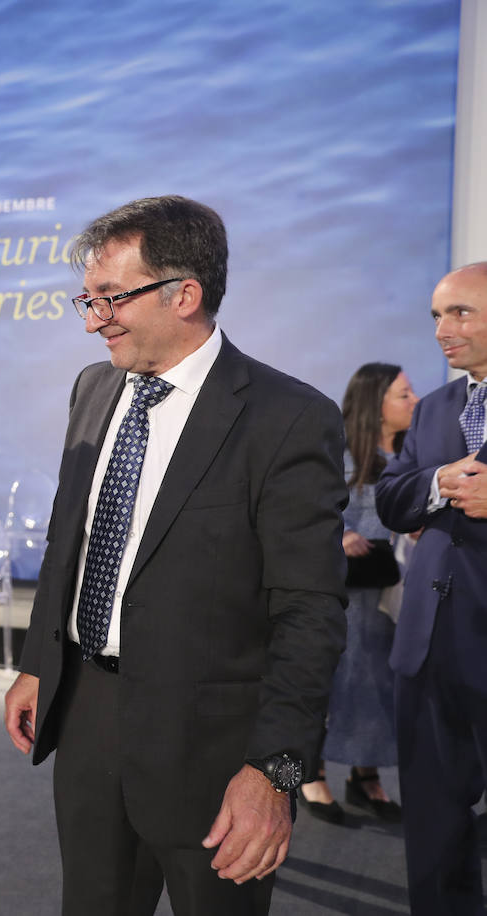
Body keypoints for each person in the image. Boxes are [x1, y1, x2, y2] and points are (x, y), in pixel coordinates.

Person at [2, 195, 347, 915]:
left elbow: (309, 613)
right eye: (88, 299)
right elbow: (71, 539)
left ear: (184, 294)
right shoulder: (93, 389)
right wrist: (40, 661)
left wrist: (276, 773)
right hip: (88, 715)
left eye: (111, 298)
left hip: (217, 753)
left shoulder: (287, 419)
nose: (94, 318)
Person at [375, 261, 487, 914]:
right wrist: (439, 483)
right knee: (435, 827)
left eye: (461, 313)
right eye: (437, 316)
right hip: (427, 648)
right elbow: (392, 497)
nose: (443, 330)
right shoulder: (436, 409)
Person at [299, 363, 416, 825]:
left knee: (381, 686)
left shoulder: (415, 451)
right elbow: (310, 506)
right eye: (404, 395)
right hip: (349, 594)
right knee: (335, 682)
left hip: (399, 593)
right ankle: (312, 775)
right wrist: (342, 533)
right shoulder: (341, 451)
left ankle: (365, 778)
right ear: (376, 404)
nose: (416, 401)